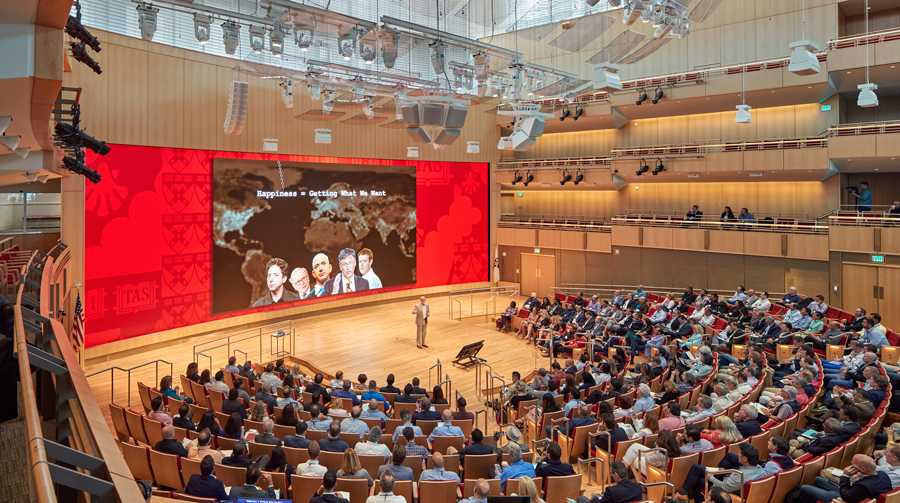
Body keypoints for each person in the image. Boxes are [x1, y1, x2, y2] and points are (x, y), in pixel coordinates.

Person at [791, 454, 891, 503]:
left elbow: (846, 496)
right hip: (852, 493)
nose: (851, 466)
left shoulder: (863, 486)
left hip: (843, 498)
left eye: (853, 465)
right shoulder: (883, 474)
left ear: (864, 468)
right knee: (818, 479)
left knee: (803, 487)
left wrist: (845, 476)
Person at [577, 461, 642, 503]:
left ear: (616, 474)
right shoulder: (638, 488)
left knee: (581, 498)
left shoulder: (612, 491)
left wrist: (595, 499)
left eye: (611, 473)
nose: (611, 475)